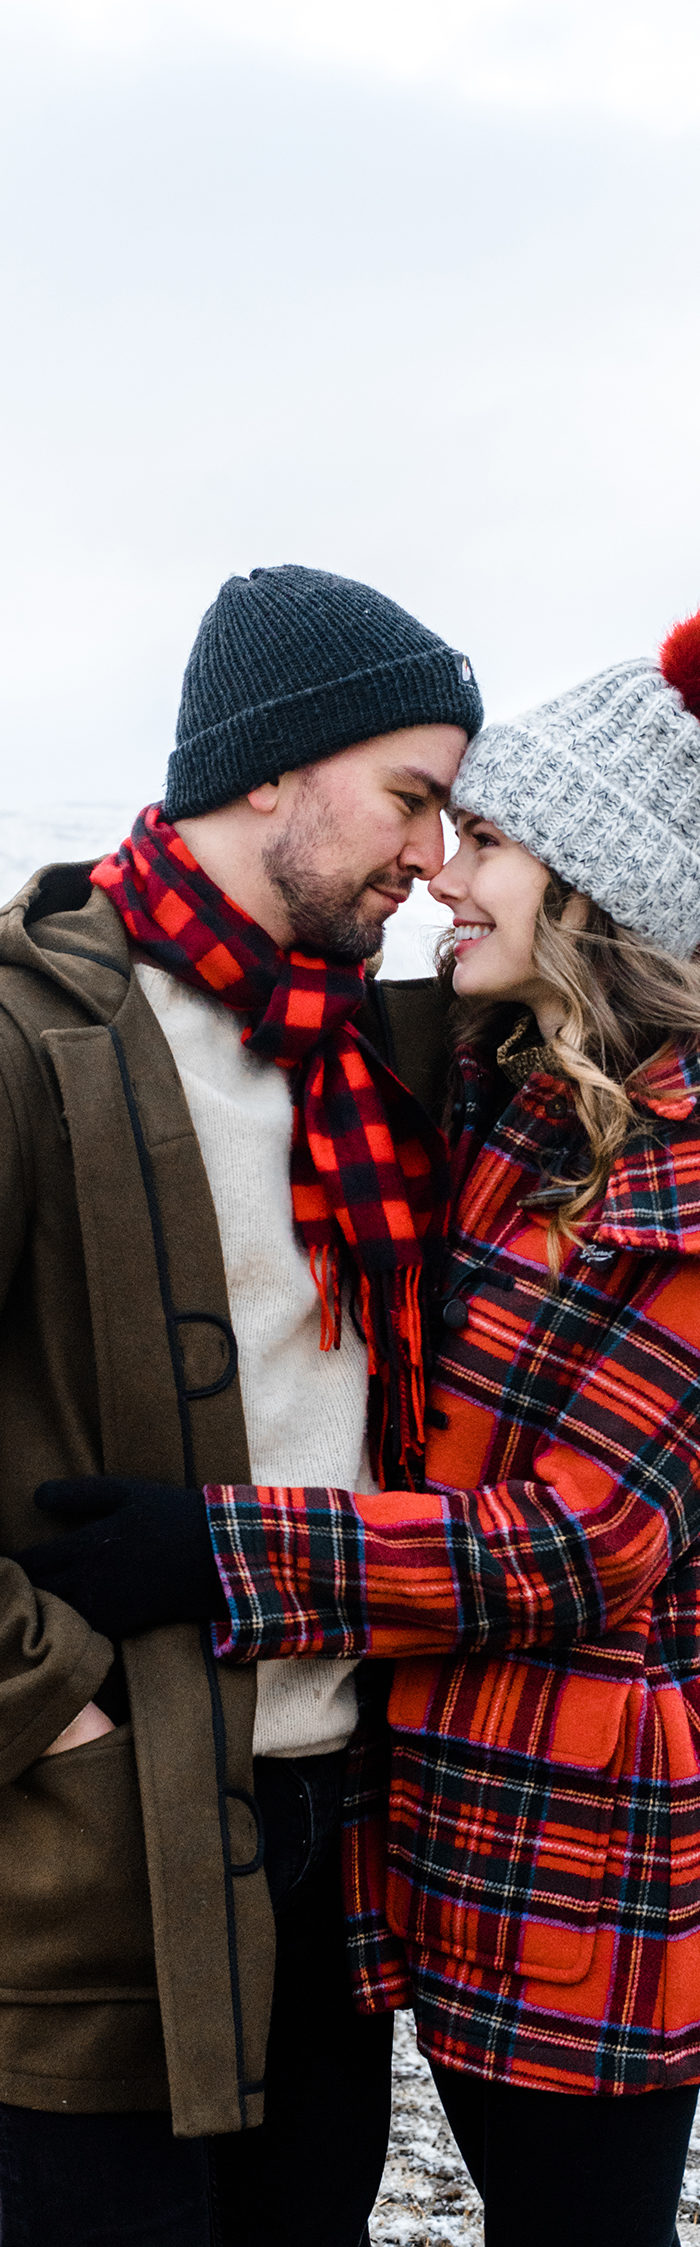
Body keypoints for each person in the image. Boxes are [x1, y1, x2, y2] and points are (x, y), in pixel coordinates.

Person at [38, 608, 700, 2247]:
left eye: (481, 835)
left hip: (539, 1849)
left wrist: (211, 1548)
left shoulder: (629, 1146)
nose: (440, 870)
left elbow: (588, 1538)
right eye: (431, 811)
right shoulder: (488, 1091)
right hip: (357, 1831)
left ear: (595, 889)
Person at [0, 560, 482, 2247]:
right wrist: (46, 1704)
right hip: (90, 1872)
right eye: (410, 798)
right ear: (268, 766)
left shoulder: (373, 1050)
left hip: (336, 1846)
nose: (433, 855)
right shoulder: (23, 1031)